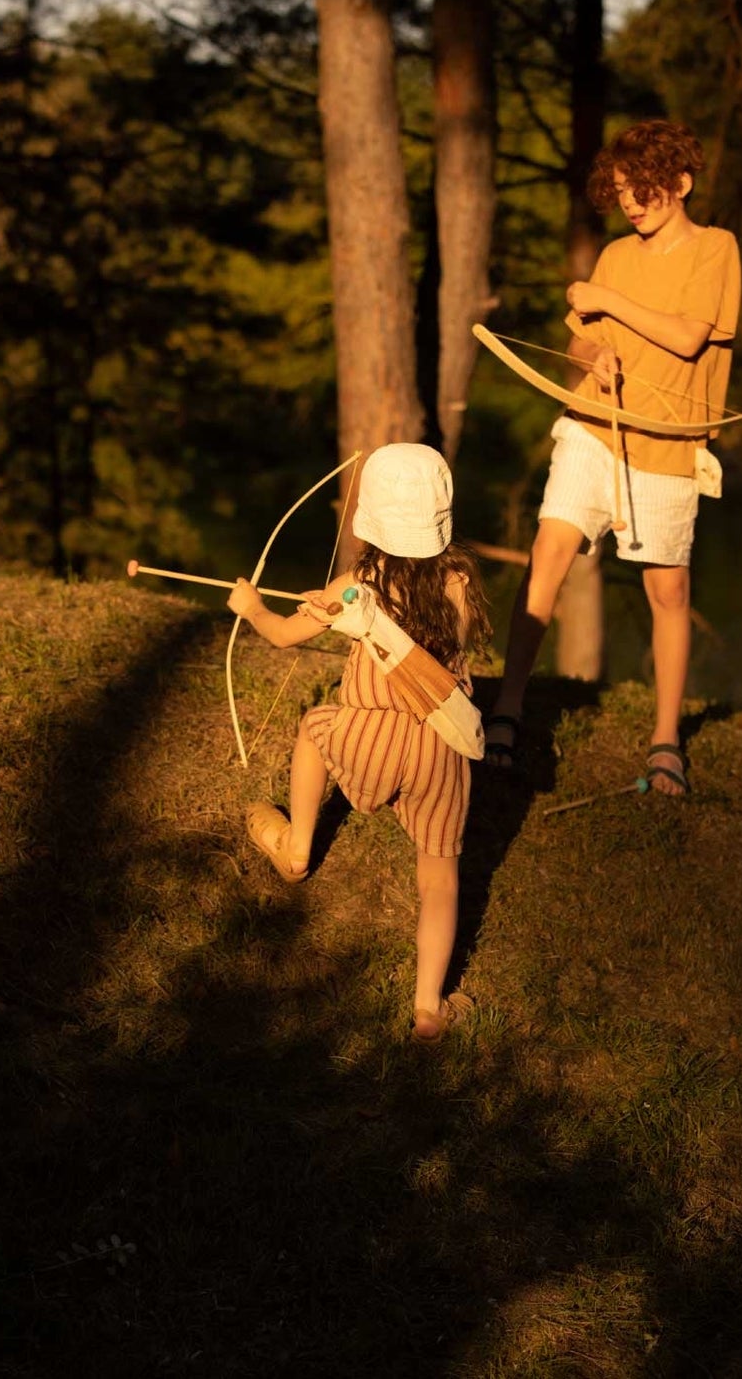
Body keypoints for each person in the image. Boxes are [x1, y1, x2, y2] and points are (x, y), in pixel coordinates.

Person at [484, 118, 741, 795]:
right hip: (593, 430)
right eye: (621, 190)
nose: (629, 202)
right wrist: (592, 354)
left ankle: (664, 743)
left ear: (679, 184)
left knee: (667, 590)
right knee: (548, 552)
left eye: (643, 189)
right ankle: (505, 711)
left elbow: (688, 339)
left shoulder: (715, 249)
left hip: (665, 444)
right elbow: (577, 345)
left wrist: (605, 301)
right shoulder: (618, 255)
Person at [227, 443, 492, 1044]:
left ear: (371, 517)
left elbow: (283, 637)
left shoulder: (361, 580)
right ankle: (429, 1008)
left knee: (316, 728)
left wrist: (254, 607)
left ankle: (296, 849)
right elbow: (453, 639)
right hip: (439, 746)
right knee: (439, 878)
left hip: (368, 735)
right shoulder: (458, 579)